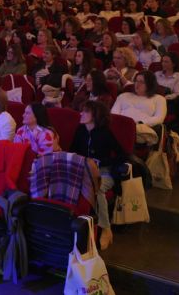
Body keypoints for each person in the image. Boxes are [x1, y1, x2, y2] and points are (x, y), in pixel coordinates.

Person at [70, 100, 126, 250]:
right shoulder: (80, 130)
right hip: (83, 172)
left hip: (104, 173)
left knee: (98, 190)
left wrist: (101, 162)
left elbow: (123, 155)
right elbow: (72, 151)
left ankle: (106, 229)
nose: (81, 114)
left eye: (85, 111)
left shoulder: (105, 133)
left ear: (95, 115)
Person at [112, 71, 167, 137]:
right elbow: (114, 113)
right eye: (136, 81)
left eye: (141, 82)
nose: (137, 84)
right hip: (120, 126)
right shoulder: (123, 96)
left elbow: (159, 118)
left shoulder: (159, 99)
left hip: (141, 130)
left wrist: (139, 123)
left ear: (150, 84)